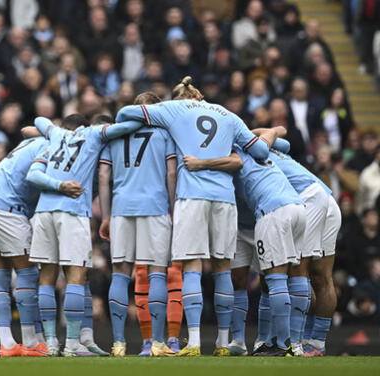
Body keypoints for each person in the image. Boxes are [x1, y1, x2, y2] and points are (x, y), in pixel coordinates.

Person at [115, 76, 278, 356]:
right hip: (225, 199)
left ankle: (193, 342)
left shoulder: (174, 109)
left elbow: (124, 113)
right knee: (222, 268)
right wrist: (269, 132)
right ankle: (223, 343)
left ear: (181, 99)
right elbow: (261, 151)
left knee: (191, 266)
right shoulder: (228, 114)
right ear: (200, 96)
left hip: (192, 197)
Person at [23, 113, 145, 356]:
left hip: (44, 212)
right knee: (76, 277)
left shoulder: (56, 135)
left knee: (47, 277)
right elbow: (128, 125)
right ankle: (71, 345)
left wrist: (52, 128)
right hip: (72, 211)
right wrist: (144, 115)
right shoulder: (93, 134)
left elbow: (38, 119)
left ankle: (50, 344)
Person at [183, 138, 306, 357]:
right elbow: (285, 144)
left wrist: (201, 163)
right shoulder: (257, 149)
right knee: (268, 279)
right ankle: (258, 341)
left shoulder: (236, 154)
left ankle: (284, 344)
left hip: (270, 213)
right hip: (294, 208)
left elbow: (237, 161)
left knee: (275, 280)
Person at [0, 134, 82, 357]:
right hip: (7, 208)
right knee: (28, 273)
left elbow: (26, 129)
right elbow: (34, 176)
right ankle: (31, 342)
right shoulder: (51, 148)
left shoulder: (30, 142)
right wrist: (60, 186)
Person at [98, 92, 177, 357]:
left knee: (121, 274)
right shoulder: (164, 135)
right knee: (156, 273)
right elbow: (171, 172)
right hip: (154, 207)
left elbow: (103, 174)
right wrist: (174, 208)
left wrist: (106, 215)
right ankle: (157, 343)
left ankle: (118, 343)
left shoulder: (117, 135)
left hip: (121, 208)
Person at [267, 146, 342, 356]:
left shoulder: (249, 151)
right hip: (325, 199)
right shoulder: (266, 145)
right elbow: (284, 141)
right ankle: (311, 340)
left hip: (312, 200)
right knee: (317, 277)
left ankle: (306, 342)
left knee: (301, 272)